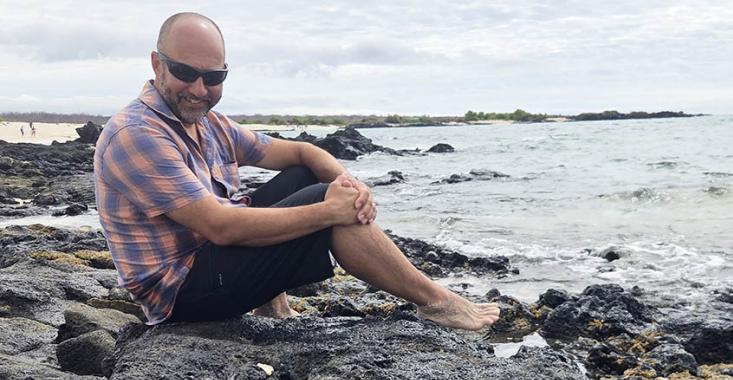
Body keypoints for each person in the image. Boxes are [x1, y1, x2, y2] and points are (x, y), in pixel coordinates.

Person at [94, 12, 499, 331]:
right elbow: (221, 227)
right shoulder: (137, 134)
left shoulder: (208, 123)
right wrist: (331, 209)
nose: (199, 89)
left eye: (214, 77)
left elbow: (303, 152)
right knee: (323, 202)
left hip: (211, 262)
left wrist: (350, 186)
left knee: (308, 177)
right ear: (157, 64)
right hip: (181, 295)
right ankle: (437, 302)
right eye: (185, 72)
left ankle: (274, 305)